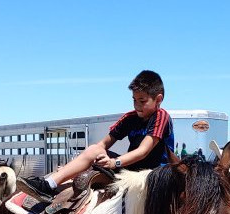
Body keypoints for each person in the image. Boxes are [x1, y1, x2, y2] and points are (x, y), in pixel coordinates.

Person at [17, 70, 174, 202]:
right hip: (130, 169)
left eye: (142, 101)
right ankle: (49, 184)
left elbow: (143, 151)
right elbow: (102, 145)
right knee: (94, 150)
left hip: (155, 174)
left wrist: (114, 162)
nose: (137, 106)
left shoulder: (160, 117)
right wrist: (81, 162)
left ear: (158, 99)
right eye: (134, 100)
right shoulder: (130, 118)